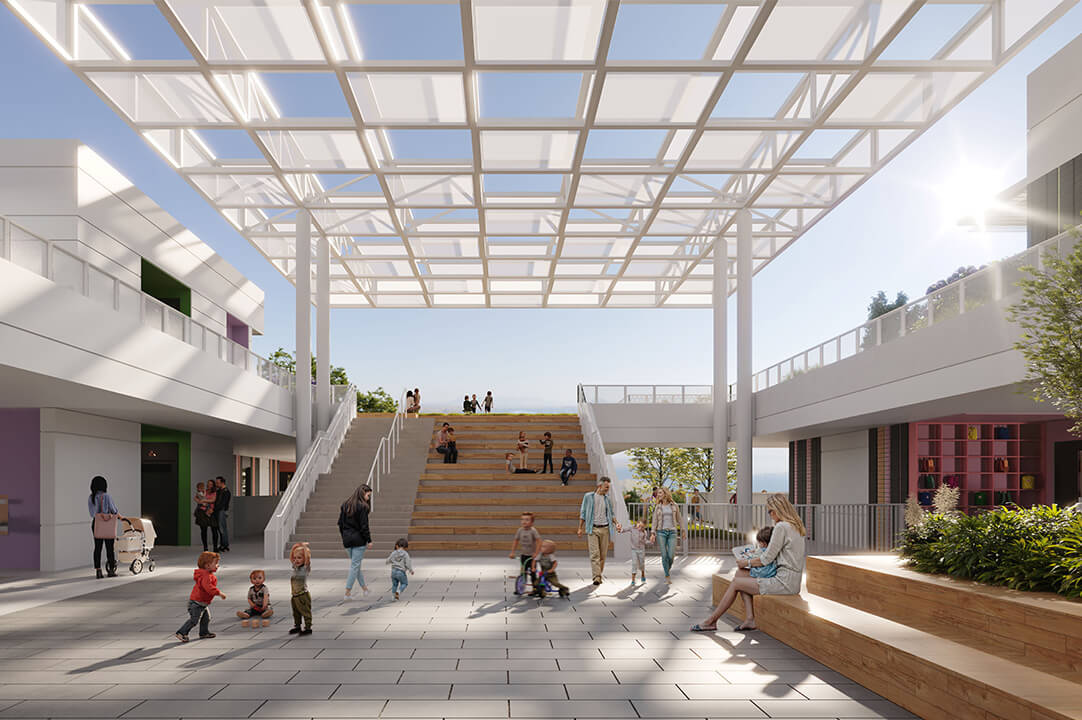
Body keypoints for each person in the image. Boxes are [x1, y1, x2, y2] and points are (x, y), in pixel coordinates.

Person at [691, 493, 807, 632]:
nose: (770, 514)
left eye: (770, 511)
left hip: (784, 582)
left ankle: (711, 621)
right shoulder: (796, 526)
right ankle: (750, 619)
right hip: (792, 580)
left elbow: (766, 559)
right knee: (740, 575)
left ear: (778, 509)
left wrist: (747, 561)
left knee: (736, 583)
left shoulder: (781, 527)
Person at [577, 477, 621, 585]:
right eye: (606, 487)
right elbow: (583, 512)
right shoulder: (588, 497)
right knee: (594, 554)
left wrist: (617, 523)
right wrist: (580, 528)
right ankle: (596, 577)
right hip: (593, 529)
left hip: (605, 529)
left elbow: (611, 514)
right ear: (599, 486)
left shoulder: (608, 499)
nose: (607, 489)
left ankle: (598, 574)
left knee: (602, 555)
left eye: (608, 488)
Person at [176, 551, 225, 642]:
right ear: (207, 566)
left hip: (201, 603)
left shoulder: (207, 574)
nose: (218, 565)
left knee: (206, 618)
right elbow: (209, 588)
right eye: (216, 563)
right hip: (197, 604)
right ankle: (182, 632)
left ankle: (204, 632)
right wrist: (219, 593)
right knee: (194, 620)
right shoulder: (206, 576)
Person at [338, 484, 372, 600]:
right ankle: (347, 592)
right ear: (363, 493)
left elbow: (340, 524)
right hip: (359, 540)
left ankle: (365, 589)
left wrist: (344, 536)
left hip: (347, 540)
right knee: (355, 566)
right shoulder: (362, 507)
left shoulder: (345, 505)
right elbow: (364, 526)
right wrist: (369, 540)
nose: (369, 498)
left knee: (355, 566)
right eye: (368, 495)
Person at [88, 475, 121, 579]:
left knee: (97, 548)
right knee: (109, 548)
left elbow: (92, 514)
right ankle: (111, 570)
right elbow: (114, 510)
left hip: (96, 524)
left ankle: (98, 571)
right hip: (107, 524)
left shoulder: (91, 497)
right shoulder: (107, 496)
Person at [650, 487, 682, 584]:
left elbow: (679, 519)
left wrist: (683, 530)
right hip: (661, 532)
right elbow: (654, 520)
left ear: (665, 493)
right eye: (658, 493)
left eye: (660, 493)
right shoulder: (658, 507)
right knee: (664, 555)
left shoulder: (674, 505)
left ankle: (667, 568)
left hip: (672, 532)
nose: (658, 494)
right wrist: (652, 533)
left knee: (671, 555)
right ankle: (667, 575)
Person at [509, 512, 541, 594]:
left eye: (527, 520)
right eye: (522, 519)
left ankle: (535, 588)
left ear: (531, 522)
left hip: (532, 557)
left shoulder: (533, 531)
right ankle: (520, 587)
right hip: (523, 555)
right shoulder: (520, 530)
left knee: (533, 572)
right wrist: (512, 552)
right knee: (523, 572)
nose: (524, 521)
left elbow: (539, 542)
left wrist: (536, 553)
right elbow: (516, 541)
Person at [288, 542, 313, 635]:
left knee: (305, 612)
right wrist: (294, 548)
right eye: (295, 558)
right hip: (294, 595)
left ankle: (308, 628)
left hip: (302, 595)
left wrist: (304, 548)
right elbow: (292, 558)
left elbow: (306, 558)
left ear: (305, 559)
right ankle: (297, 626)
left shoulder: (305, 568)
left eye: (299, 558)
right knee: (296, 613)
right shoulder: (296, 567)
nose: (296, 560)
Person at [620, 519, 649, 584]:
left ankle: (643, 574)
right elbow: (624, 530)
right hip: (634, 550)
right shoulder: (632, 528)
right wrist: (620, 529)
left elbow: (645, 541)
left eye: (642, 527)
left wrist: (651, 542)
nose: (640, 528)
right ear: (637, 523)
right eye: (639, 526)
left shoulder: (644, 532)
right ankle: (633, 580)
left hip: (641, 550)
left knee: (642, 564)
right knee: (634, 563)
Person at [194, 481, 219, 553]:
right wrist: (199, 501)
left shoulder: (215, 492)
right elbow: (196, 498)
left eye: (210, 484)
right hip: (202, 512)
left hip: (211, 512)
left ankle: (215, 547)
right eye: (208, 484)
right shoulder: (204, 491)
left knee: (214, 530)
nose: (208, 485)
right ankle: (205, 548)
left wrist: (204, 500)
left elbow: (213, 500)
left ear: (213, 485)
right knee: (203, 530)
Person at [214, 476, 231, 552]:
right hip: (219, 511)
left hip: (222, 511)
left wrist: (214, 509)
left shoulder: (226, 492)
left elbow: (223, 504)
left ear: (222, 483)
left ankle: (224, 544)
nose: (216, 484)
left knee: (222, 528)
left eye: (218, 483)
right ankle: (224, 544)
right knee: (222, 528)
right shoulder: (219, 491)